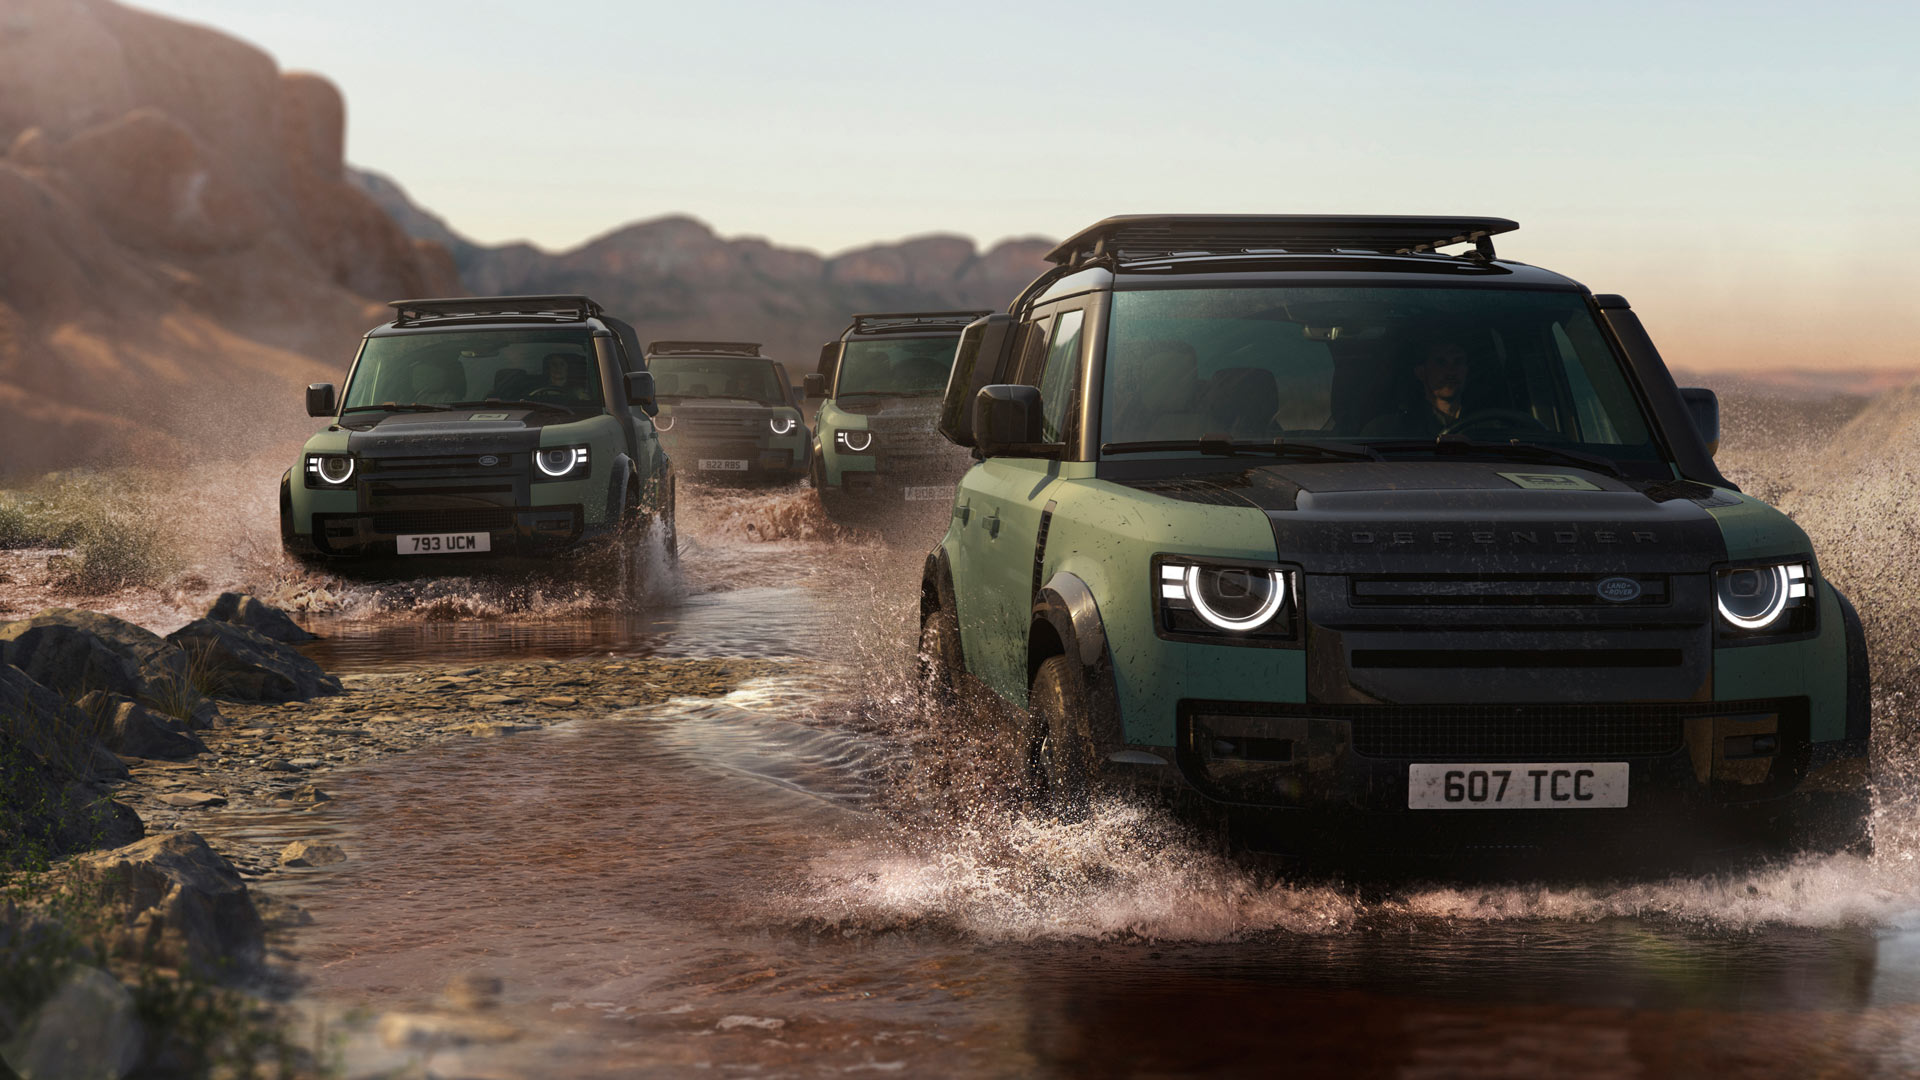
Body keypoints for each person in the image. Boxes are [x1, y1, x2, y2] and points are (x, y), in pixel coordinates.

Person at [1363, 337, 1474, 437]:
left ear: (1467, 370)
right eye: (1441, 362)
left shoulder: (1485, 422)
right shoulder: (1387, 430)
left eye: (1458, 361)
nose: (1451, 371)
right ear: (1421, 372)